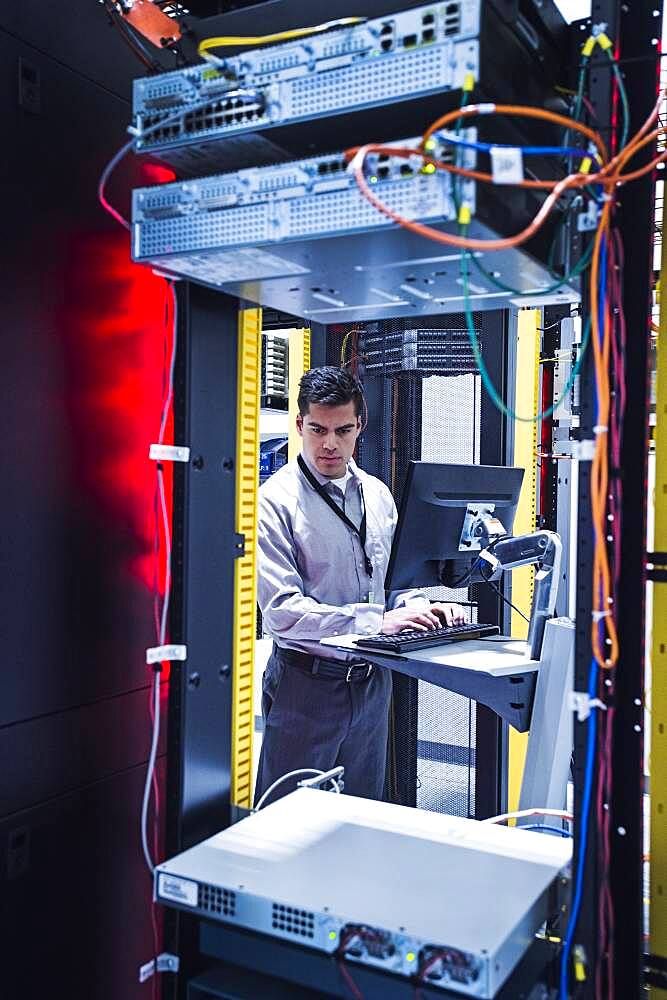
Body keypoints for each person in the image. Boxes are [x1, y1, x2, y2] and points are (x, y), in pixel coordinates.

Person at [255, 366, 464, 805]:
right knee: (288, 824)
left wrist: (422, 604)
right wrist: (379, 622)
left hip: (371, 684)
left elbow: (389, 583)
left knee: (362, 816)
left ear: (359, 427)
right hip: (305, 685)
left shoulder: (378, 495)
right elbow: (282, 613)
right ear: (300, 425)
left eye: (342, 430)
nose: (329, 444)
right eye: (317, 429)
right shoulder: (275, 502)